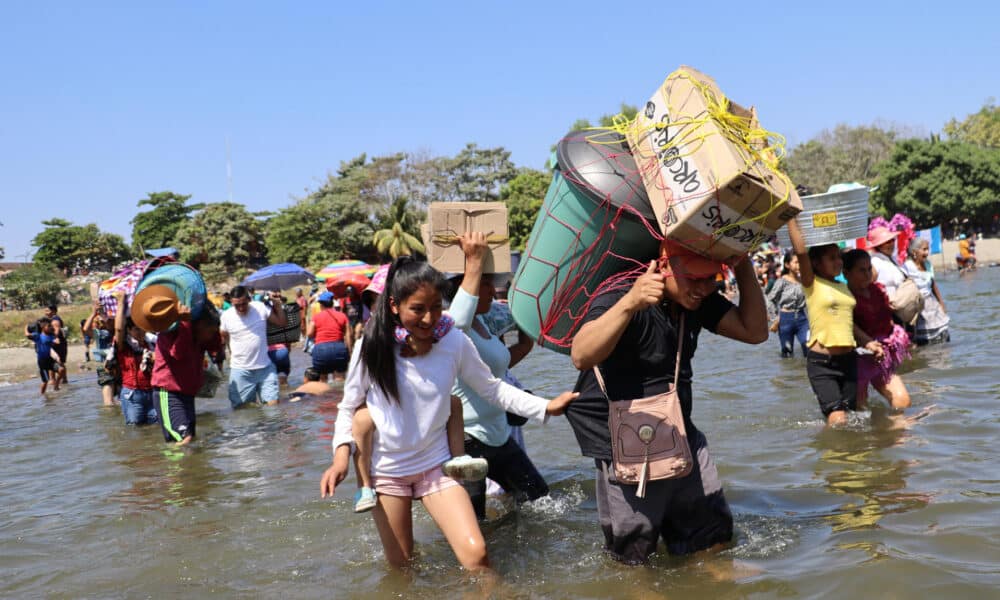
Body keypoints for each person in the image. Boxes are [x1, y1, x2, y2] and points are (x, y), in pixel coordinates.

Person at [320, 257, 578, 571]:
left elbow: (491, 388)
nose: (429, 318)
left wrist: (544, 407)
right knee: (403, 567)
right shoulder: (371, 347)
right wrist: (340, 456)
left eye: (437, 307)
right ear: (394, 306)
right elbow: (348, 408)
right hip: (388, 472)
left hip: (435, 467)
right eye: (417, 309)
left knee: (477, 555)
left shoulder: (453, 341)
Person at [567, 239, 768, 565]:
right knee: (633, 556)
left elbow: (756, 331)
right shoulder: (622, 293)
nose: (703, 288)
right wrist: (630, 303)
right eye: (694, 278)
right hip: (626, 441)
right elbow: (581, 354)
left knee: (711, 542)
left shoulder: (696, 300)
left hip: (679, 431)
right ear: (663, 268)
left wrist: (742, 263)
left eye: (710, 279)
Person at [447, 232, 548, 520]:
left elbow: (497, 368)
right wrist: (474, 261)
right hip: (468, 439)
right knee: (474, 523)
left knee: (539, 502)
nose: (494, 291)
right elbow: (457, 320)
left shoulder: (482, 322)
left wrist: (527, 342)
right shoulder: (451, 328)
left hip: (498, 432)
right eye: (487, 283)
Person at [788, 219, 883, 426]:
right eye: (831, 258)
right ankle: (833, 456)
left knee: (851, 419)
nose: (838, 262)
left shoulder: (843, 286)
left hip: (848, 361)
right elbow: (801, 252)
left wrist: (868, 342)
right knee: (838, 419)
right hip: (822, 364)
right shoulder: (811, 283)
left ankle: (850, 456)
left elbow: (849, 323)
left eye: (839, 257)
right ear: (816, 263)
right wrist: (791, 217)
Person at [136, 285, 224, 445]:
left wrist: (215, 329)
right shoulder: (172, 329)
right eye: (209, 330)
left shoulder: (202, 336)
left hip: (187, 394)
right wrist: (185, 324)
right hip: (168, 393)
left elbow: (216, 348)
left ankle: (180, 469)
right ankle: (170, 469)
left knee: (187, 440)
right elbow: (178, 355)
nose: (211, 334)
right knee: (184, 439)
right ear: (198, 326)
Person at [843, 249, 912, 411]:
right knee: (860, 412)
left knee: (902, 401)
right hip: (857, 360)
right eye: (861, 270)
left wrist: (896, 338)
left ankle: (897, 435)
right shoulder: (844, 297)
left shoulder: (877, 290)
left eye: (869, 269)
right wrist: (867, 343)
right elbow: (847, 325)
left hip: (882, 356)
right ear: (846, 273)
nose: (868, 274)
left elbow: (887, 318)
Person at [220, 286, 287, 408]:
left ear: (249, 299)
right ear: (232, 302)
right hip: (241, 370)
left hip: (265, 368)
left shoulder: (260, 308)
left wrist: (278, 306)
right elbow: (222, 336)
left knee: (273, 408)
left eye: (243, 304)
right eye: (236, 305)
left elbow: (281, 323)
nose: (240, 308)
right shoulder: (226, 316)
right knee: (243, 412)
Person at [113, 293, 157, 425]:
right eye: (136, 330)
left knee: (155, 429)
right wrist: (121, 303)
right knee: (135, 430)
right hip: (132, 395)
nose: (141, 332)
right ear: (129, 331)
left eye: (142, 329)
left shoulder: (151, 344)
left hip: (152, 393)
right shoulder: (124, 346)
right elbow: (119, 330)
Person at [903, 238, 950, 344]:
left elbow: (933, 285)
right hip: (918, 306)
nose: (927, 253)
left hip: (932, 304)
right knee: (922, 339)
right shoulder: (908, 267)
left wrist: (941, 303)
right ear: (914, 251)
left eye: (928, 249)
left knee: (941, 334)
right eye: (924, 249)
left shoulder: (928, 265)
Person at [767, 251, 809, 357]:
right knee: (787, 351)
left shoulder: (804, 280)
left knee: (808, 346)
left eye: (800, 262)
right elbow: (770, 300)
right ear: (787, 265)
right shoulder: (781, 282)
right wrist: (775, 318)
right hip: (785, 320)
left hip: (802, 318)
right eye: (796, 262)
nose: (799, 265)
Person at [307, 291, 353, 382]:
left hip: (321, 350)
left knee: (323, 381)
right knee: (340, 380)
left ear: (321, 304)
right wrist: (350, 352)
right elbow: (349, 335)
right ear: (332, 303)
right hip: (339, 348)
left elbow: (309, 333)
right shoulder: (342, 316)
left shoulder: (316, 317)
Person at [82, 300, 116, 406]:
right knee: (107, 386)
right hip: (104, 364)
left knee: (113, 390)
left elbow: (113, 324)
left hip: (115, 364)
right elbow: (85, 329)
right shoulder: (99, 333)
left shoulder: (115, 330)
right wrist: (94, 313)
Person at [867, 226, 905, 300]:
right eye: (887, 242)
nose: (891, 244)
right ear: (879, 246)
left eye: (892, 240)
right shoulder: (874, 262)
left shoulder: (893, 259)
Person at [25, 317, 61, 394]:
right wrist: (26, 328)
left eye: (50, 326)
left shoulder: (51, 336)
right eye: (48, 326)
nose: (50, 327)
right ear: (43, 327)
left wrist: (57, 356)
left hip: (50, 359)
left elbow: (52, 347)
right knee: (45, 381)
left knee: (61, 370)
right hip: (42, 361)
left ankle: (56, 386)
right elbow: (27, 335)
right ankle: (42, 395)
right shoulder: (38, 336)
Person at [45, 305, 68, 385]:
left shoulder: (55, 320)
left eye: (47, 311)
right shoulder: (52, 320)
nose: (46, 313)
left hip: (57, 344)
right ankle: (64, 380)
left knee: (54, 362)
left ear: (54, 311)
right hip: (58, 343)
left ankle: (53, 380)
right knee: (59, 362)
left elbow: (56, 332)